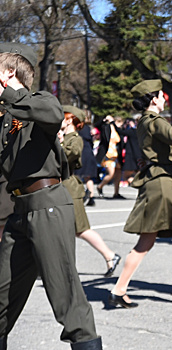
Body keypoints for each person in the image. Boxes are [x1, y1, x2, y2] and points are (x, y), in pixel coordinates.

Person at [0, 42, 102, 349]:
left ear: (8, 73)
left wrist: (8, 93)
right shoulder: (6, 118)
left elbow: (52, 112)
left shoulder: (38, 101)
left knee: (65, 296)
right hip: (20, 211)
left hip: (48, 205)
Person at [108, 79, 172, 308]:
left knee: (146, 239)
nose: (165, 99)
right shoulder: (153, 120)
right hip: (161, 182)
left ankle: (119, 289)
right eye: (162, 95)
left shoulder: (146, 121)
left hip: (155, 180)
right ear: (154, 99)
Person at [59, 105, 121, 277]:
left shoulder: (75, 139)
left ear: (70, 119)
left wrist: (56, 142)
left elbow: (67, 155)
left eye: (62, 116)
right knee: (59, 229)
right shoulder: (65, 137)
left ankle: (110, 255)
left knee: (81, 229)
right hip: (62, 187)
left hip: (71, 188)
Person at [95, 115, 124, 198]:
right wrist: (104, 120)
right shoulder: (106, 127)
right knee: (111, 174)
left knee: (118, 173)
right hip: (108, 153)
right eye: (119, 122)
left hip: (116, 155)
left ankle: (116, 193)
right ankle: (100, 186)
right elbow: (97, 125)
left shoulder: (119, 131)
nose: (120, 125)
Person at [74, 112, 99, 206]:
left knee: (76, 175)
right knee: (88, 177)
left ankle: (79, 194)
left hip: (82, 153)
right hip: (89, 153)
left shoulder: (78, 128)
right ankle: (91, 197)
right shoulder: (89, 128)